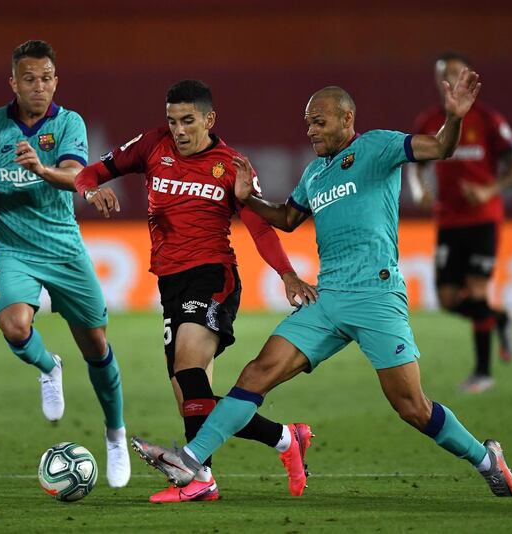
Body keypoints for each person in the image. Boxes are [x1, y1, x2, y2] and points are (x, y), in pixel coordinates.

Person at [132, 70, 512, 499]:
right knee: (257, 372)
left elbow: (442, 147)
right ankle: (191, 463)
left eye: (319, 121)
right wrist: (247, 198)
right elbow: (287, 219)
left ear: (347, 117)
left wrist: (455, 118)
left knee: (411, 406)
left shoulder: (379, 146)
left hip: (376, 293)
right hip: (328, 297)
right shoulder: (315, 173)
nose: (311, 130)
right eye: (308, 123)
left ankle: (486, 460)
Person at [75, 80, 318, 503]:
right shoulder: (153, 145)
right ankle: (255, 452)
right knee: (191, 395)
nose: (179, 130)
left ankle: (215, 469)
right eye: (172, 121)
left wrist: (287, 274)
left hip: (213, 277)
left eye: (188, 121)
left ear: (209, 119)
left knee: (188, 368)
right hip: (171, 283)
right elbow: (89, 172)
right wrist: (91, 190)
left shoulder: (232, 165)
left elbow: (260, 227)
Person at [0, 40, 130, 488]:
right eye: (29, 79)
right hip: (13, 248)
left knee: (97, 348)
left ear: (55, 80)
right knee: (13, 323)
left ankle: (115, 435)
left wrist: (41, 170)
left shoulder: (69, 123)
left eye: (47, 78)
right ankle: (49, 366)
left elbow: (77, 176)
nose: (39, 86)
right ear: (13, 82)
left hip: (64, 248)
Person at [408, 52, 512, 393]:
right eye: (444, 74)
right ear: (438, 80)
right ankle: (500, 318)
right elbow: (415, 165)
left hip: (482, 218)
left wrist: (489, 189)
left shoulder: (488, 120)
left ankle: (482, 372)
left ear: (469, 77)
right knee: (447, 299)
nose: (451, 78)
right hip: (448, 219)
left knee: (476, 290)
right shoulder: (430, 121)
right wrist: (420, 189)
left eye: (457, 72)